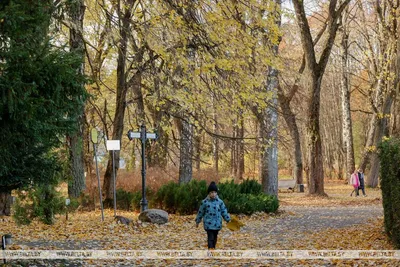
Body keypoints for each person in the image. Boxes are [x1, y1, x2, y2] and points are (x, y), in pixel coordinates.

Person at [195, 181, 231, 249]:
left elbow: (224, 211)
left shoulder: (220, 202)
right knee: (210, 238)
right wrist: (197, 221)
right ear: (209, 193)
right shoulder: (205, 202)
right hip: (209, 224)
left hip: (217, 224)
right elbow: (201, 212)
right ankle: (210, 250)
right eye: (211, 192)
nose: (213, 194)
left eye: (214, 192)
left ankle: (213, 248)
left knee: (214, 237)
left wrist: (228, 219)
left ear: (216, 193)